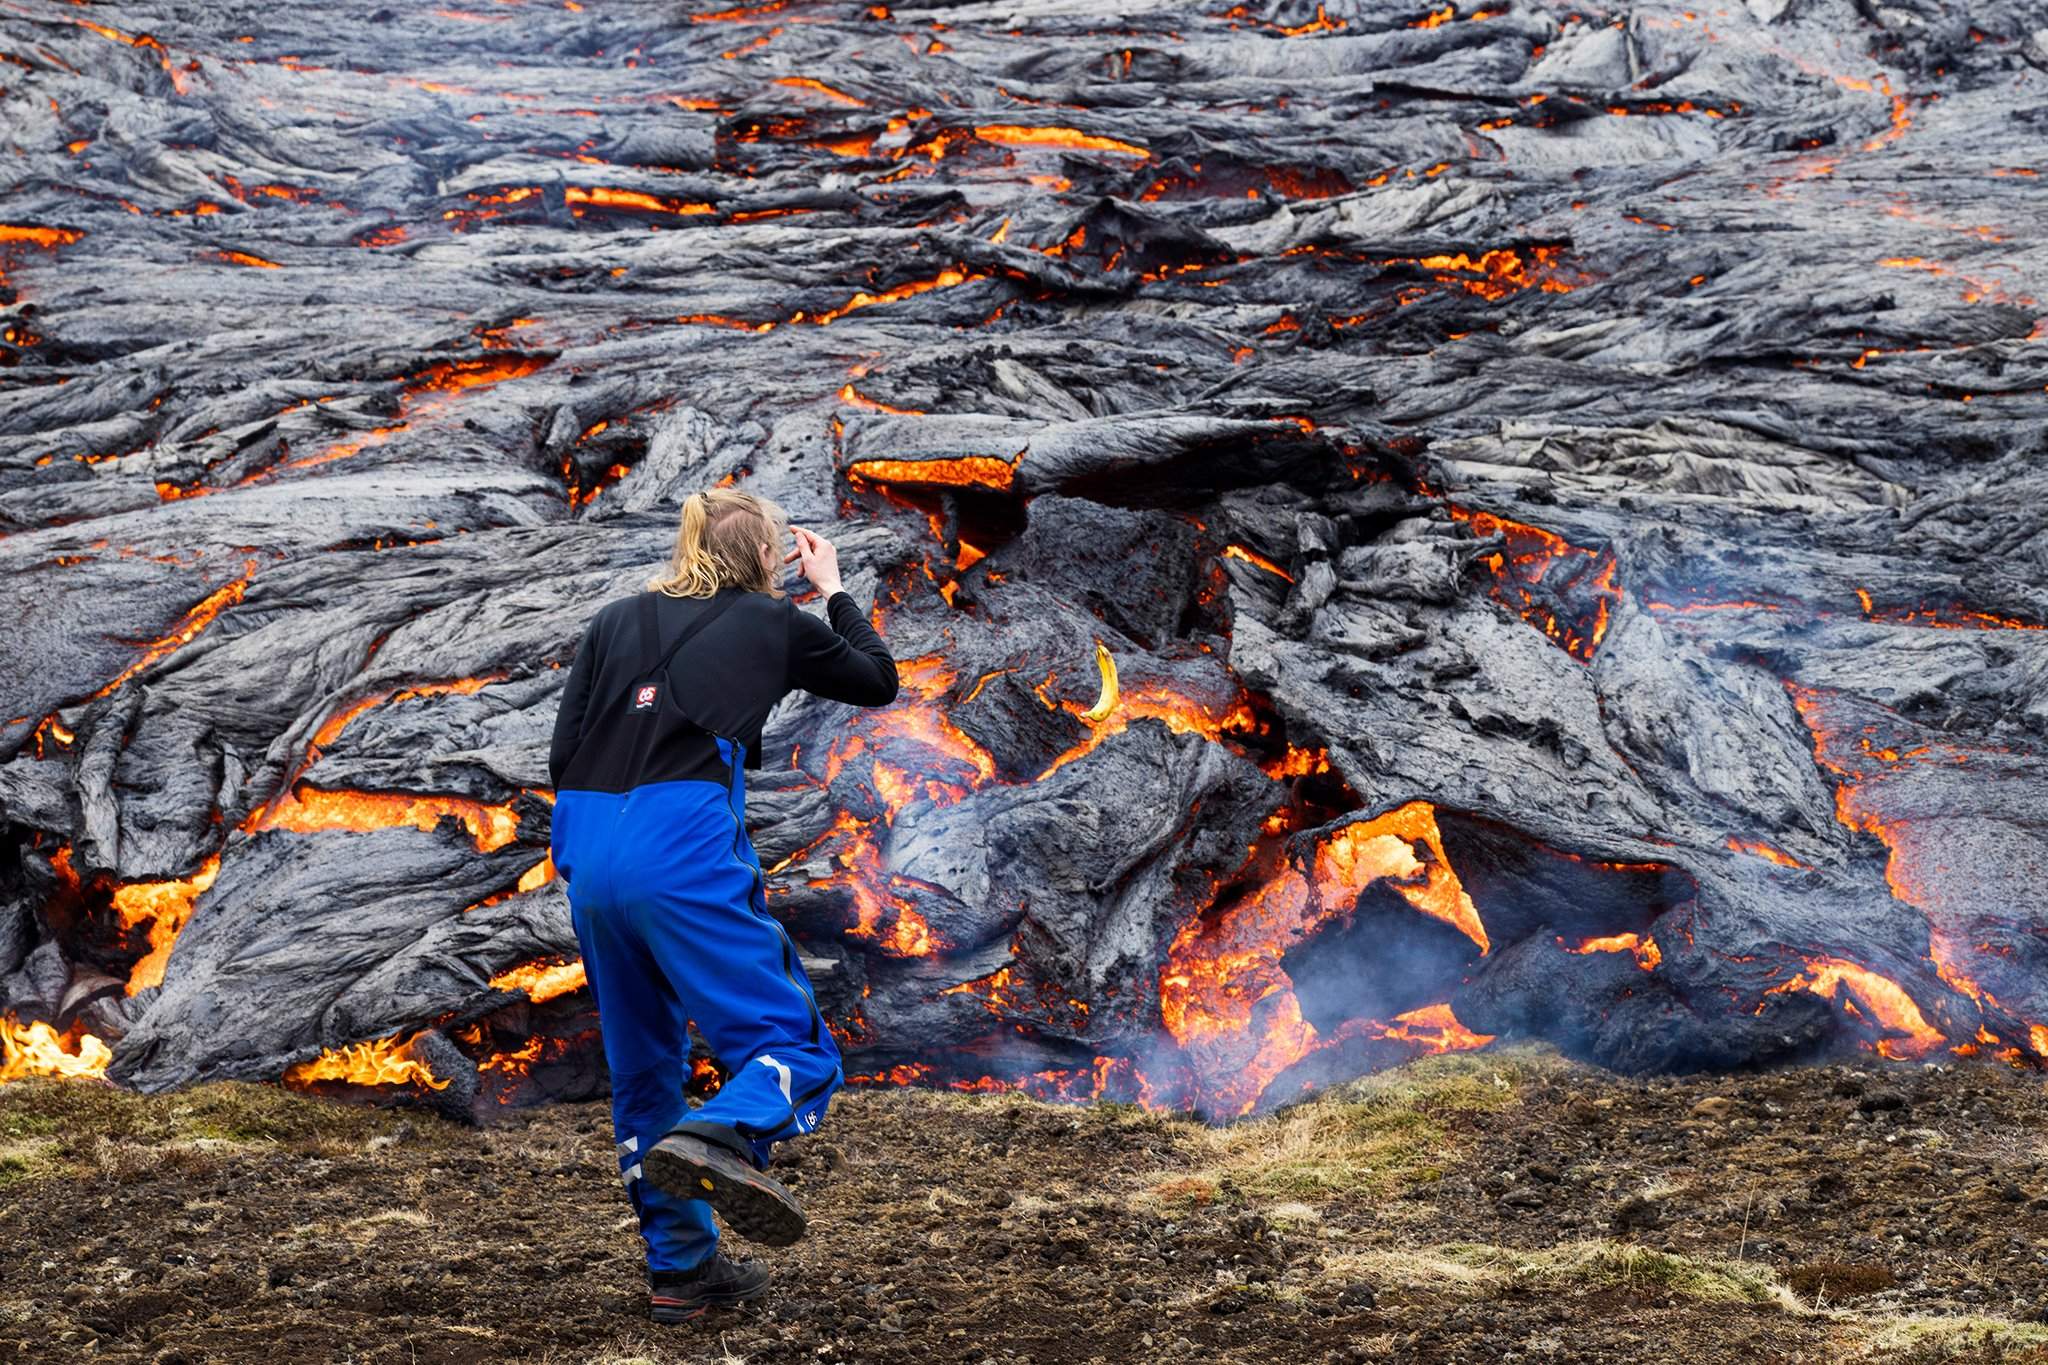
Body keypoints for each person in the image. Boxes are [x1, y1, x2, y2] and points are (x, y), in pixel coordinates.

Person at [546, 488, 898, 1322]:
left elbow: (564, 752)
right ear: (771, 557)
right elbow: (876, 680)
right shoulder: (773, 622)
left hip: (587, 846)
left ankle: (683, 1275)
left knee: (643, 1071)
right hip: (679, 842)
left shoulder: (616, 617)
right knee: (795, 1046)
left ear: (689, 542)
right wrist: (836, 588)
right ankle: (724, 1130)